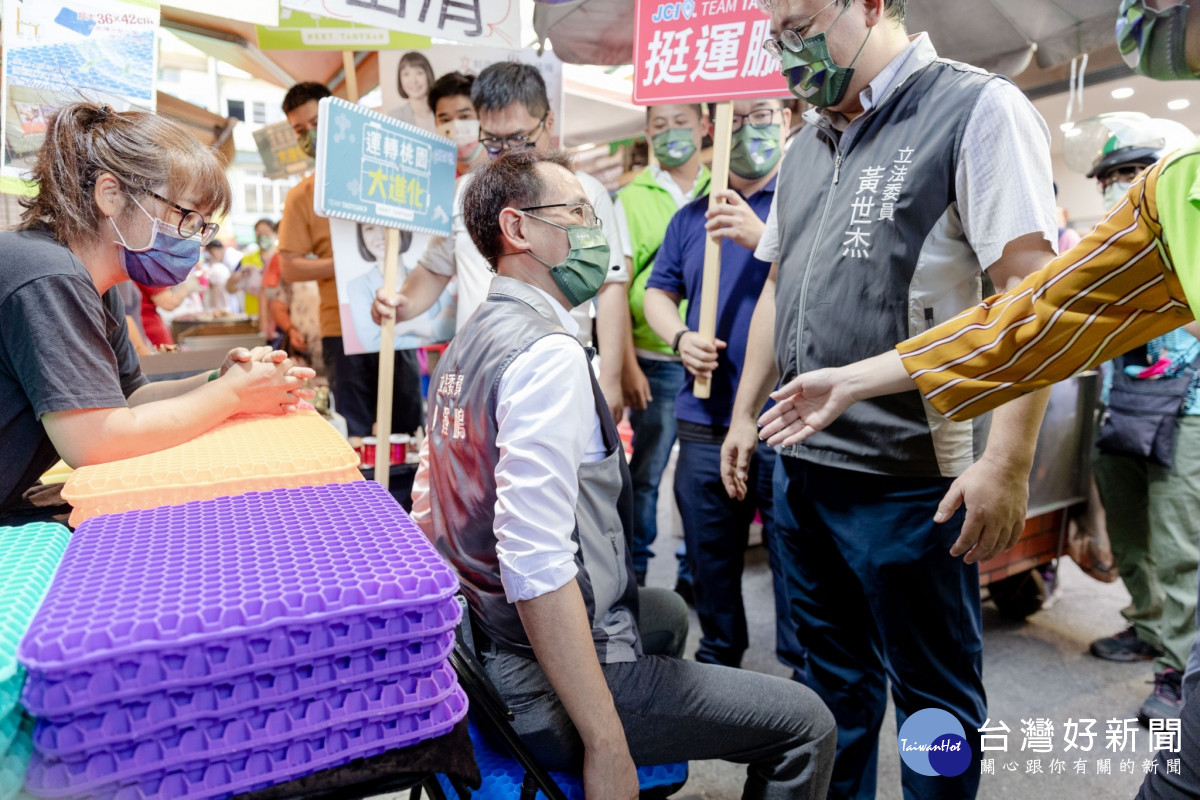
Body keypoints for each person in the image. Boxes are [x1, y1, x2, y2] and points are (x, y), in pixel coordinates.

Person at [408, 147, 836, 800]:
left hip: (481, 650)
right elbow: (535, 565)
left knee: (662, 611)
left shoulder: (471, 341)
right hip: (529, 678)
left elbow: (430, 506)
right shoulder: (543, 357)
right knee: (805, 721)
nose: (596, 232)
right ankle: (617, 737)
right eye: (578, 212)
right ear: (518, 229)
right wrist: (605, 742)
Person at [723, 1, 1060, 796]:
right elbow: (778, 286)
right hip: (801, 470)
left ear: (871, 4)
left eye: (801, 25)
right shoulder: (807, 144)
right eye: (775, 35)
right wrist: (744, 413)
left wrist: (1008, 462)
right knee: (830, 689)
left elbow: (1029, 293)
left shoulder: (977, 108)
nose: (787, 49)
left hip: (911, 482)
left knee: (933, 703)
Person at [0, 102, 312, 525]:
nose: (194, 238)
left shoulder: (99, 284)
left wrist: (222, 378)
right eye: (184, 216)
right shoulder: (49, 275)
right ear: (110, 195)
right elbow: (96, 441)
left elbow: (129, 397)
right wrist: (234, 395)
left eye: (203, 225)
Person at [643, 97, 804, 675]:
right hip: (704, 417)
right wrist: (679, 335)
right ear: (717, 127)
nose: (753, 127)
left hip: (786, 419)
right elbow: (656, 291)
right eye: (743, 116)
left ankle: (802, 674)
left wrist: (764, 237)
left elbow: (820, 276)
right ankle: (718, 658)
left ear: (787, 121)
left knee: (794, 558)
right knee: (710, 560)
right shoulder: (691, 218)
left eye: (766, 114)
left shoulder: (803, 202)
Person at [372, 62, 630, 421]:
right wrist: (401, 305)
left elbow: (611, 289)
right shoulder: (467, 194)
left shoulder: (583, 191)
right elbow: (433, 270)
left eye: (520, 138)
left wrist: (612, 379)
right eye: (494, 141)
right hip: (476, 371)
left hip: (555, 371)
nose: (508, 152)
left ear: (548, 122)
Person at [1064, 115, 1200, 728]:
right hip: (1122, 404)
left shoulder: (1189, 233)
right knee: (1130, 535)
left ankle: (1178, 672)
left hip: (1188, 407)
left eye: (1132, 173)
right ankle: (1148, 625)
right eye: (1110, 177)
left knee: (1179, 548)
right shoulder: (1111, 247)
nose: (1120, 185)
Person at [278, 81, 423, 441]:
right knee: (355, 433)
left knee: (407, 428)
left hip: (394, 320)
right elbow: (290, 267)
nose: (309, 134)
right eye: (300, 130)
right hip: (339, 328)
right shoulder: (303, 196)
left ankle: (402, 498)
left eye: (315, 123)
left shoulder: (383, 176)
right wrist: (344, 263)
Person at [613, 103, 711, 593]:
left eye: (681, 123)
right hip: (654, 362)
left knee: (702, 481)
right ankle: (640, 583)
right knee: (646, 477)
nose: (671, 133)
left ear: (704, 126)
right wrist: (626, 363)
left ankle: (697, 578)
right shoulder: (630, 197)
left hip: (716, 361)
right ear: (647, 134)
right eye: (660, 126)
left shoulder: (727, 188)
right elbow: (621, 283)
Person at [347, 223, 454, 351]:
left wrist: (407, 327)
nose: (381, 235)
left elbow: (453, 325)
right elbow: (373, 342)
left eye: (387, 226)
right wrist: (430, 334)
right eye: (369, 228)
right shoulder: (358, 286)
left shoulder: (432, 274)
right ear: (361, 236)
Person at [429, 71, 487, 177]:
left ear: (482, 117)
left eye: (465, 117)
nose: (455, 128)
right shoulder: (433, 175)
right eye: (445, 120)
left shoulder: (505, 170)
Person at [226, 217, 275, 321]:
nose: (262, 236)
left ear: (275, 234)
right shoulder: (246, 260)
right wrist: (233, 280)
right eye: (258, 233)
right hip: (253, 316)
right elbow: (230, 289)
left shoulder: (282, 258)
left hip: (276, 317)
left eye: (266, 232)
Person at [387, 51, 437, 133]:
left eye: (419, 73)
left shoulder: (443, 113)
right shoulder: (394, 118)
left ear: (428, 75)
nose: (413, 80)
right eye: (406, 74)